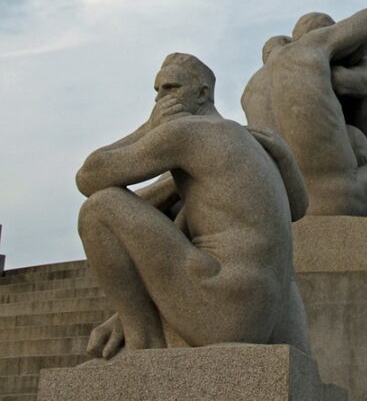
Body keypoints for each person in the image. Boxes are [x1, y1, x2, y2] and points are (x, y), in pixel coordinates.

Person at [78, 53, 310, 360]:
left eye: (170, 88)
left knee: (98, 209)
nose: (160, 99)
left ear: (203, 93)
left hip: (224, 309)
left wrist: (149, 127)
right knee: (160, 212)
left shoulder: (187, 133)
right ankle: (134, 327)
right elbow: (299, 208)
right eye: (157, 91)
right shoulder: (242, 139)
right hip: (269, 317)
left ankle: (143, 344)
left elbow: (89, 177)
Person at [241, 9, 367, 226]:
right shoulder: (313, 53)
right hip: (337, 199)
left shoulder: (251, 88)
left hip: (284, 209)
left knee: (353, 137)